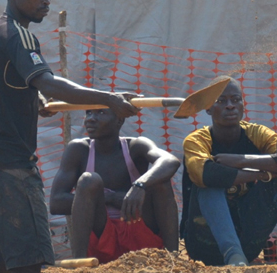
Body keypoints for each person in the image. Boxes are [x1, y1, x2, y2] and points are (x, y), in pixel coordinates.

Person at [0, 0, 138, 273]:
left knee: (3, 260)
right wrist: (109, 99)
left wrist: (29, 101)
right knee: (28, 265)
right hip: (10, 166)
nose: (46, 0)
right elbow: (49, 82)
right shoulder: (19, 35)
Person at [50, 108, 180, 263]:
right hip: (102, 237)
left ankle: (173, 260)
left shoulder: (136, 146)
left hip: (139, 233)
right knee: (88, 180)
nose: (91, 118)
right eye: (89, 113)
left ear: (119, 120)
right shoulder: (78, 149)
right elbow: (56, 203)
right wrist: (109, 198)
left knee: (160, 182)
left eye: (101, 113)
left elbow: (170, 161)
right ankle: (80, 265)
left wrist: (140, 185)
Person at [180, 76, 277, 266]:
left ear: (243, 105)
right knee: (209, 184)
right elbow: (205, 174)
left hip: (248, 242)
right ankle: (233, 255)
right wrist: (260, 174)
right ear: (209, 108)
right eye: (221, 101)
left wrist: (239, 160)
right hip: (204, 242)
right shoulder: (196, 140)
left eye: (236, 100)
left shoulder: (258, 134)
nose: (230, 106)